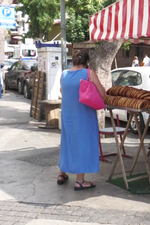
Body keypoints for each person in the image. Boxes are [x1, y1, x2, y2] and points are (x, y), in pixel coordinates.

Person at [58, 49, 106, 191]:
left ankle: (62, 174)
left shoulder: (64, 74)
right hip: (83, 114)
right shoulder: (88, 73)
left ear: (73, 61)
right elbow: (102, 93)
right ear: (87, 62)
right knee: (82, 143)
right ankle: (80, 181)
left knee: (67, 141)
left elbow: (62, 91)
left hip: (67, 114)